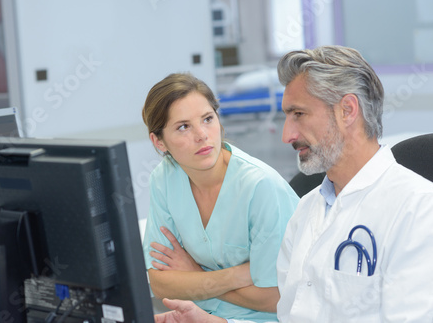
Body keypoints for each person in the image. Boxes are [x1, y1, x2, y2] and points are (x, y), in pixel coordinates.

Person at [153, 46, 433, 323]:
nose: (287, 134)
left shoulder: (417, 209)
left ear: (347, 110)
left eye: (298, 114)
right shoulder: (306, 211)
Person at [141, 73, 299, 322]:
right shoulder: (164, 179)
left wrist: (195, 274)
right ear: (159, 142)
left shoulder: (260, 187)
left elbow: (277, 299)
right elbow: (161, 284)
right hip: (200, 315)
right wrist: (236, 276)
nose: (202, 135)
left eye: (207, 119)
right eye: (183, 127)